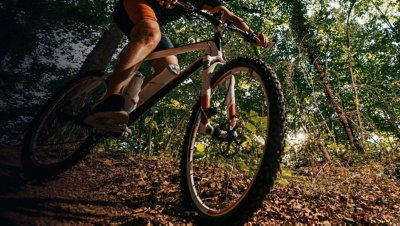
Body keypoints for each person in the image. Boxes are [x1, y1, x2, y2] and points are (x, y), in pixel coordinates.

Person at [84, 0, 270, 134]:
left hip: (157, 24)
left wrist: (252, 34)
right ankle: (110, 98)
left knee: (170, 70)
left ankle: (124, 109)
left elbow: (229, 16)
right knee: (149, 34)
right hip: (135, 4)